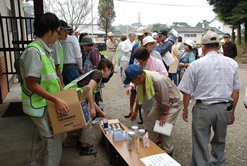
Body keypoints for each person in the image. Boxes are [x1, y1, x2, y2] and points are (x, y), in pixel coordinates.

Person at [178, 30, 240, 166]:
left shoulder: (196, 65)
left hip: (203, 108)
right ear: (218, 46)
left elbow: (187, 91)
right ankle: (218, 163)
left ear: (203, 47)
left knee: (200, 142)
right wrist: (232, 111)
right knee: (220, 141)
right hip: (224, 108)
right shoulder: (232, 63)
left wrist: (185, 109)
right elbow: (236, 90)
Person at [20, 12, 69, 166]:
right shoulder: (34, 51)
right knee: (54, 140)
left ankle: (39, 162)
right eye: (58, 31)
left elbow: (48, 78)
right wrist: (56, 99)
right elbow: (31, 84)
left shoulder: (45, 49)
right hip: (38, 105)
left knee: (59, 136)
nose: (59, 34)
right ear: (49, 31)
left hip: (46, 103)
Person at [124, 64, 183, 157]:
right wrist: (135, 111)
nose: (133, 83)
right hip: (160, 102)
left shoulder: (158, 80)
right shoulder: (143, 80)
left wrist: (164, 114)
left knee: (164, 125)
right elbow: (140, 98)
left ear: (139, 77)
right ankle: (153, 144)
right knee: (151, 119)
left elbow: (166, 99)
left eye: (133, 80)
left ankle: (168, 151)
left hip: (173, 102)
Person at [64, 58, 114, 155]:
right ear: (107, 68)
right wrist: (91, 108)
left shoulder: (95, 75)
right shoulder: (98, 74)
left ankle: (80, 143)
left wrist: (101, 112)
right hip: (71, 96)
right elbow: (89, 89)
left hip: (73, 95)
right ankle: (84, 148)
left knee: (86, 120)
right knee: (88, 121)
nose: (110, 74)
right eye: (111, 71)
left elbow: (92, 98)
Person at [127, 47, 167, 130]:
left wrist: (151, 80)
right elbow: (135, 78)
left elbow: (165, 75)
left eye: (140, 60)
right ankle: (147, 130)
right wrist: (131, 86)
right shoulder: (139, 65)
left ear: (146, 58)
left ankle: (159, 132)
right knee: (145, 111)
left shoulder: (156, 62)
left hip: (156, 92)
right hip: (143, 92)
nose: (138, 62)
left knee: (157, 113)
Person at [124, 27, 149, 120]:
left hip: (144, 74)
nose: (140, 37)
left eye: (141, 35)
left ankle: (143, 116)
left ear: (146, 34)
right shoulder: (136, 45)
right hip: (136, 71)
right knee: (133, 92)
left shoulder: (152, 47)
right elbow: (132, 60)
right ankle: (131, 110)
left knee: (144, 94)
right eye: (139, 36)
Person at [49, 20, 72, 89]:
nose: (67, 34)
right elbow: (57, 66)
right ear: (59, 30)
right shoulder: (55, 44)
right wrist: (61, 84)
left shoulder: (58, 43)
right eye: (65, 31)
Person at [60, 21, 83, 85]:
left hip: (60, 69)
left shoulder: (56, 41)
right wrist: (80, 67)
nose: (67, 32)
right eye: (65, 30)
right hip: (71, 67)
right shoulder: (73, 39)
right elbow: (78, 55)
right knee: (76, 90)